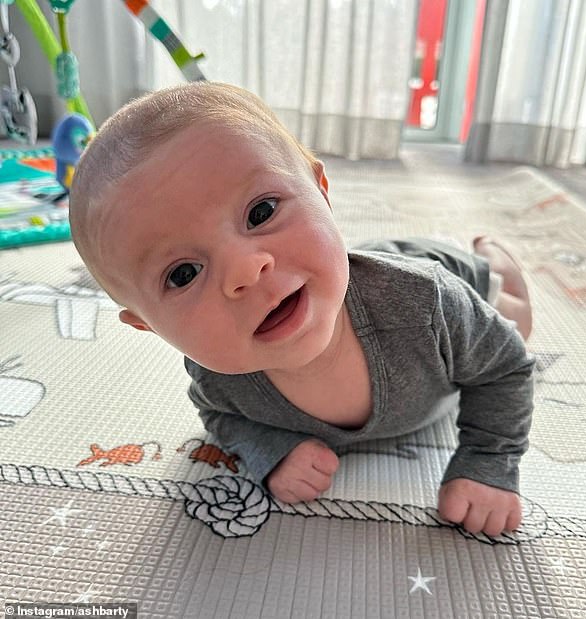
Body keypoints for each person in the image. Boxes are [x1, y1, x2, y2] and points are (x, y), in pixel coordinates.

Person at [69, 82, 534, 537]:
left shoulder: (423, 301)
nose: (246, 271)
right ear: (147, 325)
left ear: (321, 190)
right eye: (184, 273)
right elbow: (220, 418)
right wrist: (272, 450)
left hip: (438, 268)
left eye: (261, 211)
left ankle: (494, 253)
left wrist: (488, 462)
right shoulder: (218, 378)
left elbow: (506, 368)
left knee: (519, 318)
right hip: (336, 274)